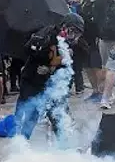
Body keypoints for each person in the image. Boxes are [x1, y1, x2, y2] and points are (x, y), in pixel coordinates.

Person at [15, 12, 84, 141]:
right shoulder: (47, 36)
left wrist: (52, 71)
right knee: (31, 114)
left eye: (78, 33)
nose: (74, 36)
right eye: (72, 31)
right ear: (64, 27)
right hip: (33, 81)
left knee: (58, 115)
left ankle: (64, 148)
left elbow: (68, 71)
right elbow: (27, 51)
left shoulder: (70, 45)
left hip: (52, 83)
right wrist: (41, 60)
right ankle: (20, 146)